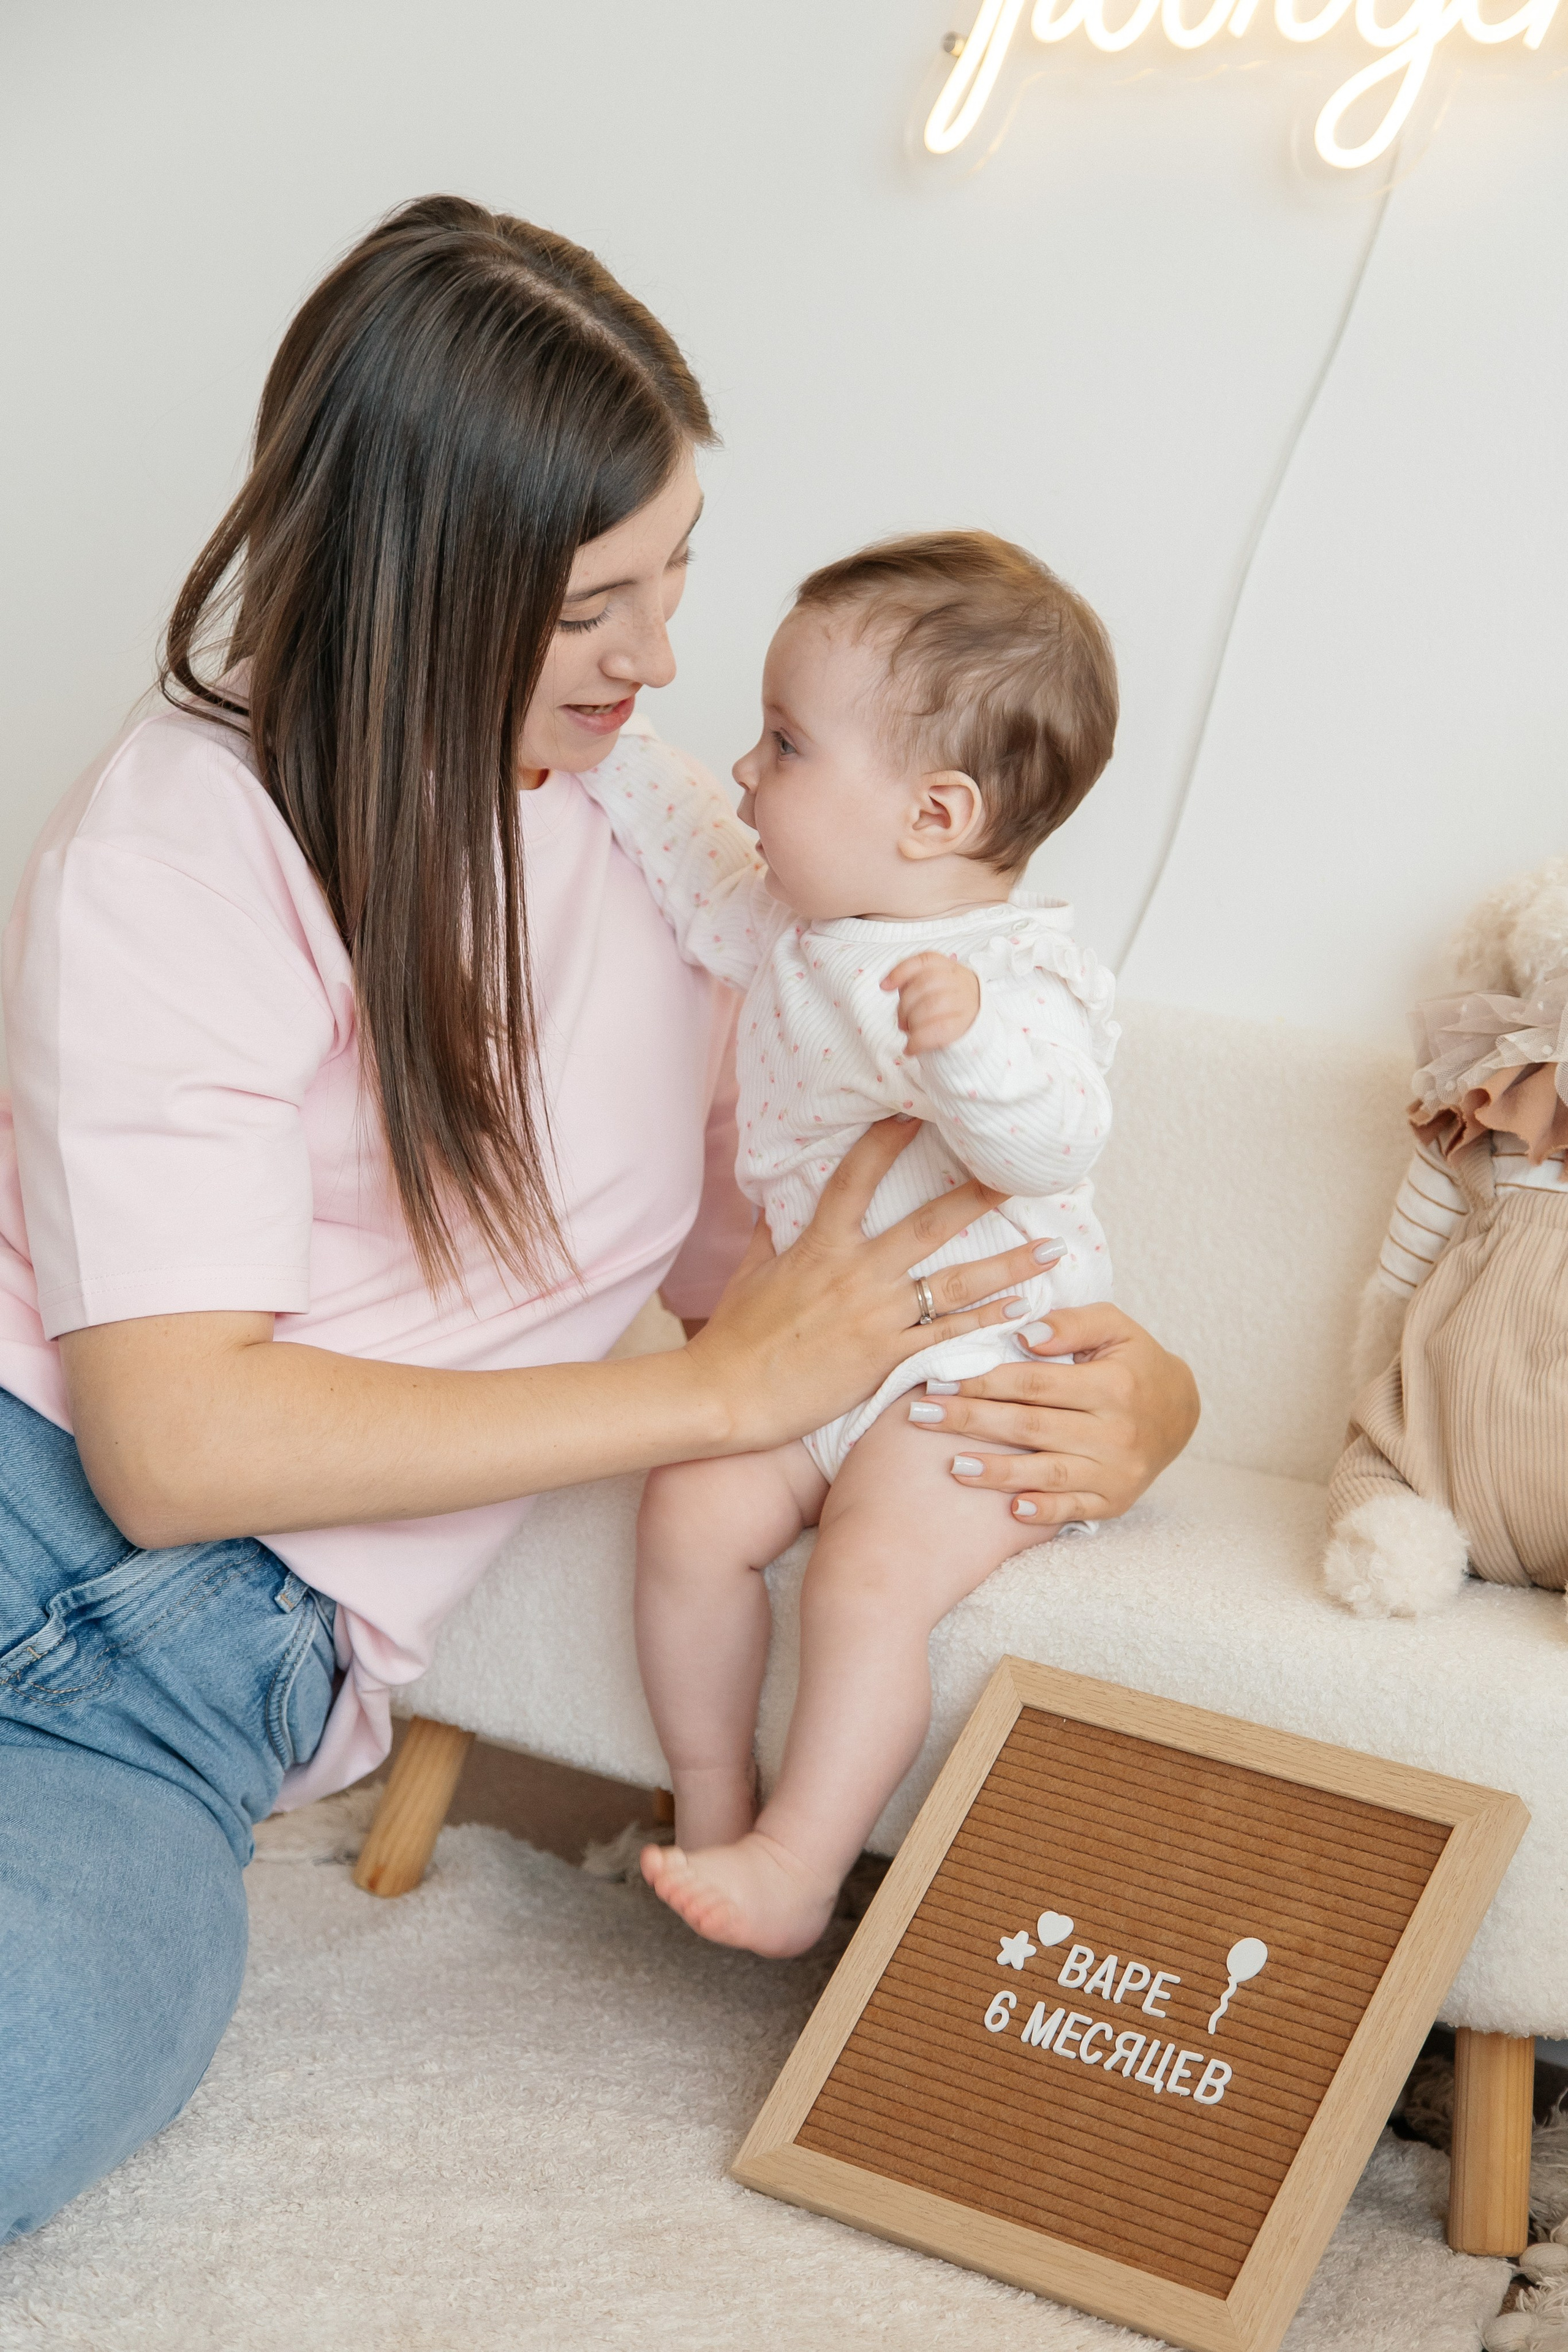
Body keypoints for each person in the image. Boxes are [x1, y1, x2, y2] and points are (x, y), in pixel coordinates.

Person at [0, 195, 1198, 2242]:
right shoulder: (193, 830)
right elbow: (175, 1445)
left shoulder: (689, 858)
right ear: (415, 584)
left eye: (677, 580)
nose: (655, 661)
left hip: (188, 1701)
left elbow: (817, 1265)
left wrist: (1138, 1388)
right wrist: (718, 1399)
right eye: (589, 608)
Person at [579, 531, 1121, 1954]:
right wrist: (601, 738)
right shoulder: (795, 921)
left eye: (783, 743)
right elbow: (695, 848)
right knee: (690, 1516)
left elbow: (1057, 1139)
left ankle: (801, 1865)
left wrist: (972, 1049)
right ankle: (709, 1807)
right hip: (816, 1350)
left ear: (934, 812)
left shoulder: (1014, 975)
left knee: (865, 1576)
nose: (748, 771)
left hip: (980, 1369)